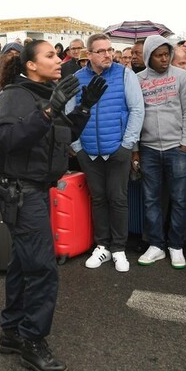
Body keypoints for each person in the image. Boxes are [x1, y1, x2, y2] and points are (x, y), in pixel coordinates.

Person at [0, 40, 105, 371]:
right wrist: (49, 111)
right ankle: (32, 342)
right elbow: (8, 140)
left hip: (36, 190)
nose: (59, 60)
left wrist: (83, 106)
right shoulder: (13, 96)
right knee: (42, 268)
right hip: (20, 192)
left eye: (57, 55)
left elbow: (63, 136)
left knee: (23, 264)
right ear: (31, 65)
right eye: (50, 56)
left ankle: (11, 333)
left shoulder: (45, 94)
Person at [69, 34, 144, 273]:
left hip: (117, 150)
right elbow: (70, 117)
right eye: (101, 51)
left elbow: (137, 110)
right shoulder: (76, 79)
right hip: (89, 152)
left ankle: (119, 248)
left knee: (118, 199)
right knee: (99, 199)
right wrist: (78, 148)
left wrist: (127, 145)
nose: (107, 54)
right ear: (89, 55)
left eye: (110, 50)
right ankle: (103, 246)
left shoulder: (125, 75)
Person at [133, 35, 186, 269]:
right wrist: (136, 149)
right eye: (158, 55)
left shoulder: (182, 77)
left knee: (179, 199)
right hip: (148, 148)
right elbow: (135, 114)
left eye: (167, 54)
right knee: (151, 199)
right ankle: (156, 245)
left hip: (176, 148)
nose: (164, 59)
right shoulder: (137, 80)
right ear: (148, 56)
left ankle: (176, 245)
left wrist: (185, 142)